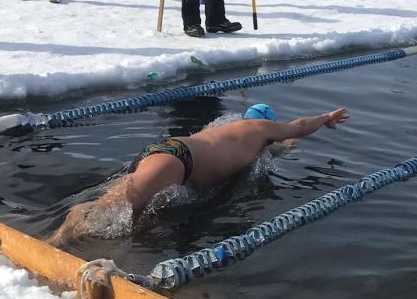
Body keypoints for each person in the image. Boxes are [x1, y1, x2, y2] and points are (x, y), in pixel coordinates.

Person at [48, 104, 349, 245]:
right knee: (105, 211)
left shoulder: (224, 129)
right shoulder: (260, 130)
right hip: (178, 161)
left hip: (171, 153)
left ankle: (64, 240)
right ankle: (53, 242)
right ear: (268, 125)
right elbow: (298, 127)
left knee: (126, 208)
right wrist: (326, 118)